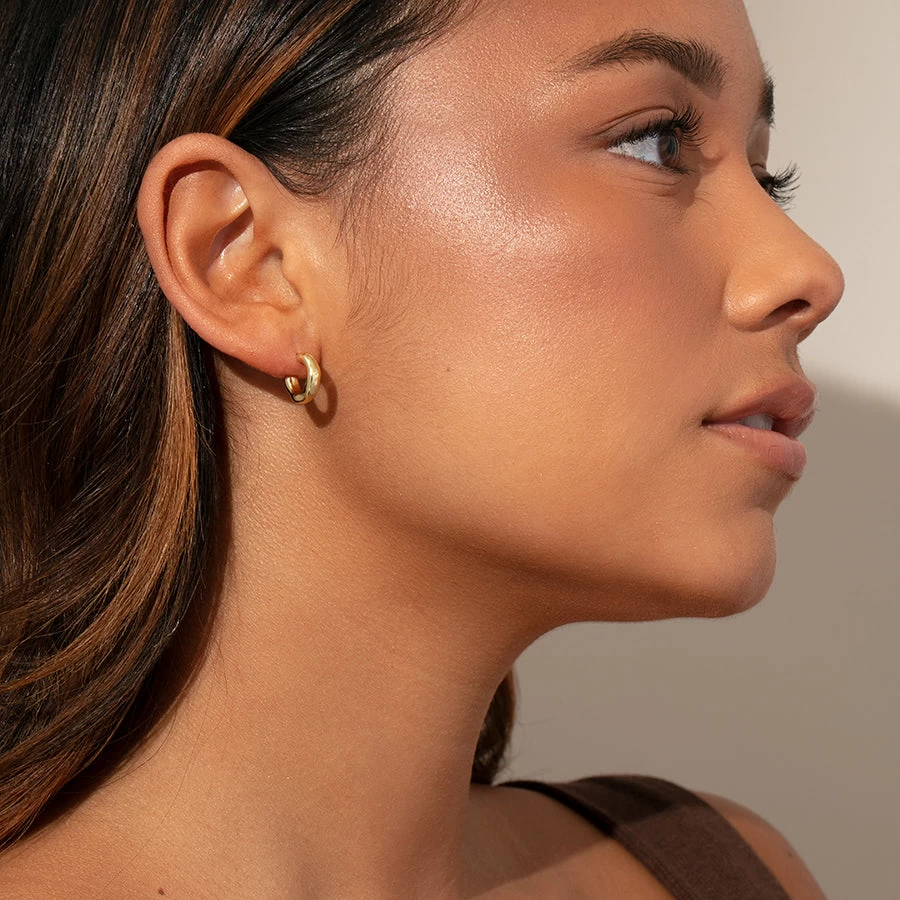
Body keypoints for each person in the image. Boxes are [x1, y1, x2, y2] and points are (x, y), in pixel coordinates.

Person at [0, 0, 845, 897]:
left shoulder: (723, 872)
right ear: (247, 262)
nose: (807, 272)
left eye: (768, 178)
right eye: (656, 142)